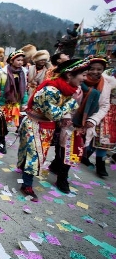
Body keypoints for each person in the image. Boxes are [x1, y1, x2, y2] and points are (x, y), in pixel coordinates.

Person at [18, 59, 89, 200]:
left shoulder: (68, 89)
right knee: (35, 156)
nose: (85, 78)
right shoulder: (50, 90)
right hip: (35, 125)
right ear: (69, 75)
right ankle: (26, 184)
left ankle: (24, 171)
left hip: (47, 126)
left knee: (37, 153)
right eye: (83, 74)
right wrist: (71, 104)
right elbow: (55, 114)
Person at [79, 56, 115, 177]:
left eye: (99, 69)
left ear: (103, 70)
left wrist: (93, 119)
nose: (95, 72)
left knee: (104, 139)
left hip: (100, 115)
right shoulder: (80, 80)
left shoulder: (106, 83)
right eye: (92, 69)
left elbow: (105, 104)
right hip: (78, 116)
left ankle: (100, 165)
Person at [0, 50, 29, 154]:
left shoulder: (23, 73)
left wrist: (24, 103)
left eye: (22, 60)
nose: (20, 62)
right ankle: (2, 143)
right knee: (1, 123)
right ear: (11, 61)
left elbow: (24, 90)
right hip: (3, 102)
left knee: (8, 124)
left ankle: (2, 138)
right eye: (18, 60)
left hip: (15, 103)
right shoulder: (2, 73)